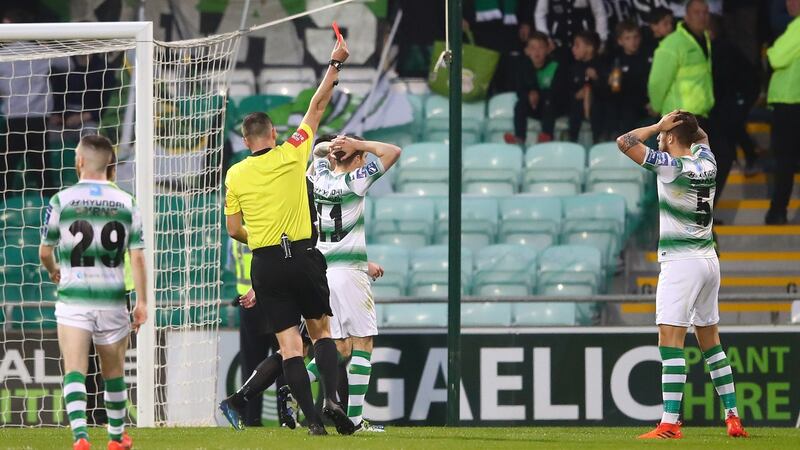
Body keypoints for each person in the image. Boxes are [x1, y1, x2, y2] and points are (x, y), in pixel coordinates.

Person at [223, 32, 353, 435]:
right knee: (321, 331)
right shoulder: (294, 151)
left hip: (264, 263)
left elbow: (233, 229)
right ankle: (332, 401)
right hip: (301, 255)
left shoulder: (235, 173)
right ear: (274, 134)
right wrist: (335, 63)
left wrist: (260, 236)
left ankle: (312, 424)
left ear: (246, 141)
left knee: (288, 347)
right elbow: (317, 106)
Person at [615, 110, 748, 440]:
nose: (660, 137)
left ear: (672, 138)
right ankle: (732, 417)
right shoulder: (707, 162)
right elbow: (701, 138)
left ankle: (670, 423)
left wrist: (660, 124)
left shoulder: (671, 167)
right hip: (708, 260)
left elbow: (625, 142)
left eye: (664, 134)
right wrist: (684, 122)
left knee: (670, 342)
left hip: (681, 263)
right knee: (710, 341)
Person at [39, 134, 147, 450]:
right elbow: (137, 256)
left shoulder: (61, 200)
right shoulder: (128, 202)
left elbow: (45, 252)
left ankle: (81, 438)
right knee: (113, 373)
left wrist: (54, 270)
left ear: (81, 161)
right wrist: (142, 302)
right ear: (109, 164)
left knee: (74, 370)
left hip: (74, 299)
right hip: (113, 299)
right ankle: (115, 438)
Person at [304, 134, 401, 431]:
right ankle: (356, 421)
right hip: (350, 273)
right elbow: (393, 150)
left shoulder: (318, 175)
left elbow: (316, 152)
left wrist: (331, 150)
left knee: (338, 347)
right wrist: (358, 144)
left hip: (323, 271)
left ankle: (293, 382)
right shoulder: (355, 181)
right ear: (357, 158)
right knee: (363, 344)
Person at [648, 1, 723, 202]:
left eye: (705, 12)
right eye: (697, 12)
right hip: (679, 121)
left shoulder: (703, 39)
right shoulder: (673, 43)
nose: (702, 16)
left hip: (699, 117)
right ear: (686, 16)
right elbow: (657, 83)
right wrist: (659, 111)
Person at [765, 0, 800, 225]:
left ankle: (778, 211)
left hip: (790, 101)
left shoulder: (798, 27)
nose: (790, 4)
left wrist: (770, 50)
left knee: (785, 160)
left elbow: (775, 57)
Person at [505, 32, 566, 145]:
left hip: (552, 107)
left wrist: (538, 94)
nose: (536, 52)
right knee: (520, 104)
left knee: (549, 102)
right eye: (532, 48)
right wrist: (529, 96)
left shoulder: (556, 66)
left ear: (548, 50)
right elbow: (520, 91)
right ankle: (519, 137)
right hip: (534, 106)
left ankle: (547, 135)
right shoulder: (522, 67)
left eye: (541, 47)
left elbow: (558, 92)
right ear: (527, 51)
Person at [603, 21, 650, 138]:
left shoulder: (647, 58)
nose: (633, 42)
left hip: (642, 103)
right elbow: (613, 89)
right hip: (622, 105)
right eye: (628, 38)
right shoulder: (616, 61)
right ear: (620, 41)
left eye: (635, 37)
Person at [566, 31, 604, 143]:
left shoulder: (601, 65)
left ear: (590, 48)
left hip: (597, 105)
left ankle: (598, 143)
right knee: (574, 109)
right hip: (576, 106)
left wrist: (596, 78)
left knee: (599, 108)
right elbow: (565, 91)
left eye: (577, 45)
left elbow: (608, 90)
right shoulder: (573, 68)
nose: (573, 49)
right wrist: (576, 95)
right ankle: (571, 143)